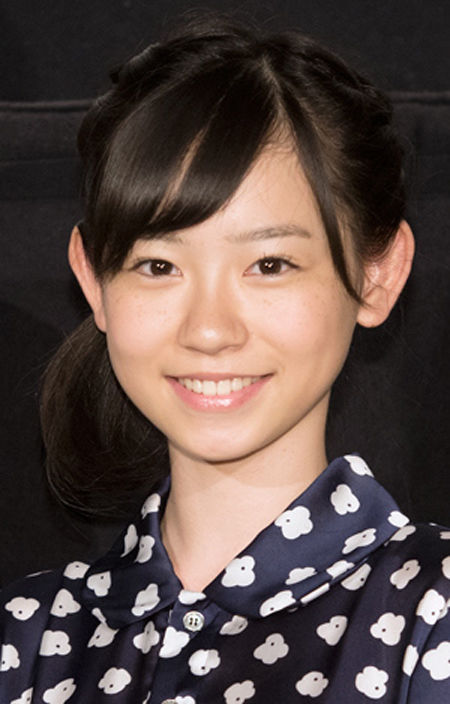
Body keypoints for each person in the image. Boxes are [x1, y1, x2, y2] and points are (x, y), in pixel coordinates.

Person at [1, 15, 449, 704]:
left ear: (377, 274)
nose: (209, 330)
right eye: (158, 265)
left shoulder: (430, 615)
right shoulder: (26, 642)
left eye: (269, 264)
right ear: (93, 282)